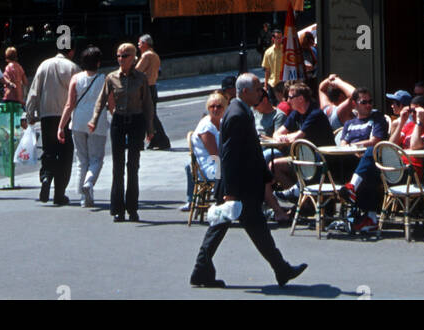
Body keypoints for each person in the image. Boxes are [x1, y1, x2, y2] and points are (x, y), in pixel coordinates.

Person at [189, 73, 306, 290]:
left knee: (246, 227)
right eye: (256, 88)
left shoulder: (242, 111)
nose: (261, 92)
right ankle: (280, 269)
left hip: (243, 184)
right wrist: (231, 192)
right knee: (239, 227)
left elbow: (251, 149)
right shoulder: (236, 114)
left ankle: (202, 269)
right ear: (244, 92)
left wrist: (265, 175)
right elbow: (230, 155)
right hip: (238, 186)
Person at [90, 41, 154, 222]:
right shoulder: (111, 77)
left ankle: (132, 208)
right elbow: (101, 101)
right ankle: (118, 209)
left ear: (133, 58)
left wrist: (150, 129)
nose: (120, 59)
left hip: (136, 121)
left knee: (133, 166)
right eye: (118, 55)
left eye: (125, 56)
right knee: (117, 167)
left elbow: (148, 105)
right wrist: (94, 120)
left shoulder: (141, 78)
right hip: (118, 121)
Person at [25, 37, 80, 206]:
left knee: (49, 151)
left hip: (47, 116)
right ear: (71, 51)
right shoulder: (74, 68)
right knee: (65, 154)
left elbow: (34, 91)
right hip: (66, 116)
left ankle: (46, 177)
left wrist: (30, 114)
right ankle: (59, 193)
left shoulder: (44, 65)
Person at [57, 45, 110, 208]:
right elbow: (112, 104)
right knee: (97, 159)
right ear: (98, 63)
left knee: (82, 160)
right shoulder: (104, 79)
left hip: (78, 121)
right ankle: (89, 182)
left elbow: (69, 104)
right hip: (97, 121)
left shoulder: (76, 79)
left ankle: (83, 196)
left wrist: (61, 126)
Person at [338, 89, 388, 232]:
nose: (368, 105)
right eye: (364, 102)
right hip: (352, 159)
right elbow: (343, 144)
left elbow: (375, 141)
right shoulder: (349, 123)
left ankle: (352, 187)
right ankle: (370, 217)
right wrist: (354, 150)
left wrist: (356, 146)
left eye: (370, 102)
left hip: (375, 162)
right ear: (354, 104)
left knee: (370, 152)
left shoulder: (377, 118)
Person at [270, 82, 335, 191]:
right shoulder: (296, 113)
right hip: (304, 158)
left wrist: (286, 137)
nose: (287, 101)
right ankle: (298, 197)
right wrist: (280, 137)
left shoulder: (315, 114)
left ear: (300, 99)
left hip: (321, 160)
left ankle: (299, 193)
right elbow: (276, 133)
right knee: (274, 166)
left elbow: (297, 137)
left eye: (290, 97)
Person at [388, 94, 424, 171]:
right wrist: (402, 122)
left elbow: (415, 146)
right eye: (411, 111)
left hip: (414, 170)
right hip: (399, 165)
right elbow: (391, 144)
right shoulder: (409, 126)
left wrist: (419, 121)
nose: (412, 114)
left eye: (415, 112)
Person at [136, 34, 171, 151]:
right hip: (152, 87)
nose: (138, 46)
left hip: (146, 88)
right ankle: (154, 140)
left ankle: (163, 140)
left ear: (145, 44)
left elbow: (137, 71)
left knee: (150, 116)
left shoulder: (146, 55)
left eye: (140, 43)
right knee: (150, 115)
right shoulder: (155, 55)